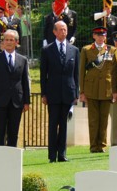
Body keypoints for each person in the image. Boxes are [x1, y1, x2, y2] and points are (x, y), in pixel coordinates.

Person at [40, 21, 79, 163]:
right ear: (54, 32)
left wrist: (76, 94)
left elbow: (76, 75)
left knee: (64, 125)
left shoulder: (74, 50)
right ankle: (52, 155)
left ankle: (62, 154)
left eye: (65, 30)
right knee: (53, 124)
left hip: (68, 92)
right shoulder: (47, 50)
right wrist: (43, 93)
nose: (63, 32)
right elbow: (43, 74)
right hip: (53, 93)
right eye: (60, 30)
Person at [0, 29, 30, 147]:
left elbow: (25, 81)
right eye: (6, 40)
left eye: (11, 40)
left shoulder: (23, 60)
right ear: (3, 42)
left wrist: (27, 101)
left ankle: (11, 160)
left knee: (13, 133)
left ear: (16, 42)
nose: (9, 42)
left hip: (17, 102)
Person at [79, 26, 116, 153]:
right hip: (92, 89)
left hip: (107, 89)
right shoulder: (87, 50)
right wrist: (82, 92)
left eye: (103, 35)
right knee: (93, 120)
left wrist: (114, 90)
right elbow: (81, 71)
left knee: (104, 119)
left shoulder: (112, 50)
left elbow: (114, 72)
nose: (101, 37)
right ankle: (94, 146)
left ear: (106, 36)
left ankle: (103, 145)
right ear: (94, 36)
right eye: (98, 35)